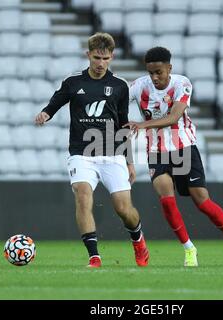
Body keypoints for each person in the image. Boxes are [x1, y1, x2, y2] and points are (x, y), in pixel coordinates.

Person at [125, 46, 223, 267]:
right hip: (156, 151)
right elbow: (117, 101)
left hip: (184, 148)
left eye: (159, 72)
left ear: (169, 68)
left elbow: (174, 117)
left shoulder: (182, 83)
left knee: (201, 201)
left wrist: (142, 125)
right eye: (151, 73)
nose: (154, 77)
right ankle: (189, 249)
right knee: (166, 200)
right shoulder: (138, 87)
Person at [35, 32, 149, 268]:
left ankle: (138, 239)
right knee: (83, 195)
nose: (100, 63)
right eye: (96, 57)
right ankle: (94, 257)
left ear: (112, 57)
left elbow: (123, 125)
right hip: (81, 154)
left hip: (112, 153)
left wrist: (129, 161)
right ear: (88, 55)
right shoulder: (73, 82)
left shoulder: (119, 86)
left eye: (105, 58)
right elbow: (54, 104)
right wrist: (45, 114)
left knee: (123, 209)